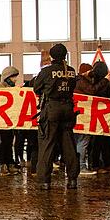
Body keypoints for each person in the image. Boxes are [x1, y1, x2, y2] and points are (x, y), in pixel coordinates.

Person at [33, 44, 79, 190]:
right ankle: (72, 179)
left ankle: (45, 181)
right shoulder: (71, 71)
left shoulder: (46, 71)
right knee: (69, 145)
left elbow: (37, 88)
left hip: (52, 109)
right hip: (68, 110)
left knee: (47, 144)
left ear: (52, 56)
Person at [88, 61, 110, 174]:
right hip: (98, 116)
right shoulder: (95, 81)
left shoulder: (107, 82)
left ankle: (109, 164)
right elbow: (94, 92)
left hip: (107, 116)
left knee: (108, 141)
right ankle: (96, 164)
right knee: (98, 142)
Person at [0, 66, 20, 176]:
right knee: (4, 141)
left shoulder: (12, 87)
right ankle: (3, 164)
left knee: (9, 140)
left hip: (11, 118)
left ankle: (10, 162)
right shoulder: (0, 87)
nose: (15, 79)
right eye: (13, 77)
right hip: (3, 119)